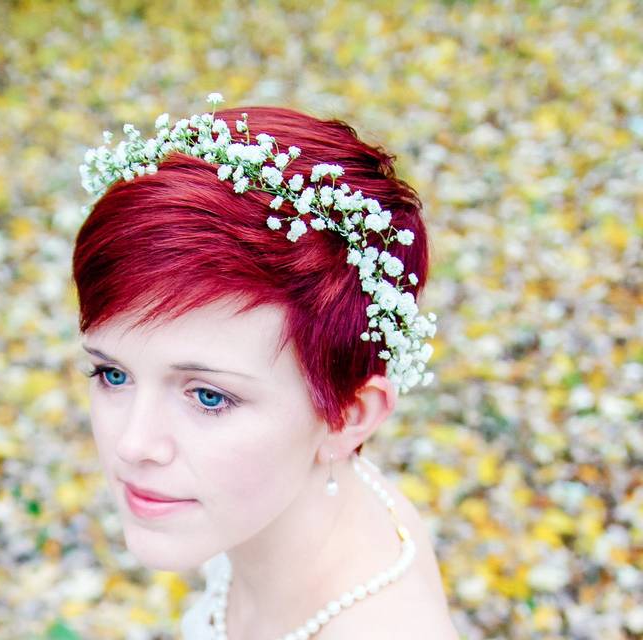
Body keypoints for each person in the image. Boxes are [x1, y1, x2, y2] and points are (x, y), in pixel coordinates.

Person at [72, 94, 460, 639]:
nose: (133, 445)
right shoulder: (281, 517)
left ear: (348, 416)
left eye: (209, 396)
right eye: (113, 374)